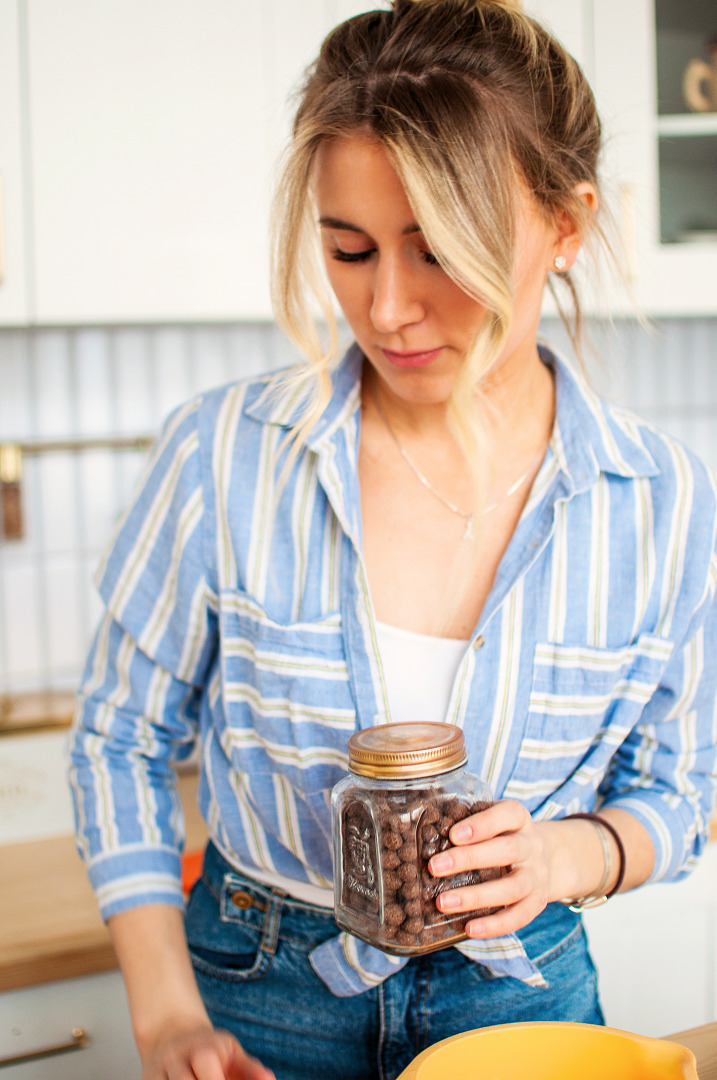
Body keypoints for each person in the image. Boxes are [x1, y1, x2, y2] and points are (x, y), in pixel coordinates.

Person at [68, 1, 717, 1078]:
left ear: (564, 227)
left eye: (440, 251)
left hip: (521, 994)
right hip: (257, 989)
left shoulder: (659, 499)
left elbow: (682, 788)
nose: (389, 308)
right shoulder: (224, 454)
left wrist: (567, 853)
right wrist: (168, 1014)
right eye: (350, 248)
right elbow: (119, 741)